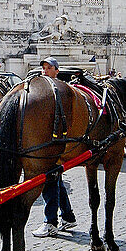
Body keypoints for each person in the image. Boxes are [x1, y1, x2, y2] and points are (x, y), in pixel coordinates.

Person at [33, 57, 76, 237]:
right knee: (56, 180)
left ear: (57, 71)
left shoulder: (60, 92)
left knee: (50, 179)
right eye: (43, 68)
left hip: (55, 143)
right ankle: (68, 216)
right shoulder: (44, 92)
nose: (45, 71)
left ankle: (50, 222)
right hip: (50, 142)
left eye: (49, 68)